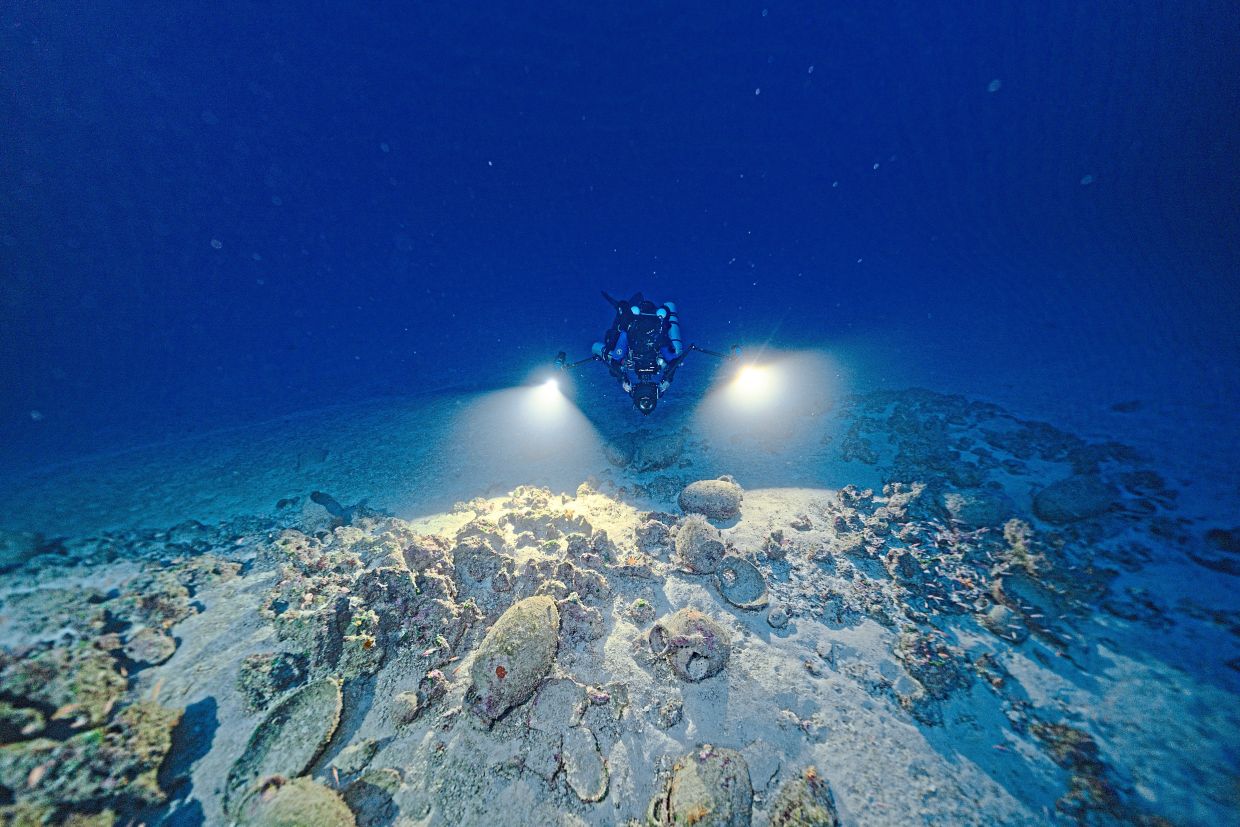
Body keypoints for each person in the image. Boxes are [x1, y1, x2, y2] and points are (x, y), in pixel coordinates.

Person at [591, 291, 684, 414]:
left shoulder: (632, 330)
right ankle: (620, 309)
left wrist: (622, 379)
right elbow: (672, 361)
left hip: (635, 341)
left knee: (609, 346)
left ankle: (620, 309)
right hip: (652, 344)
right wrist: (667, 381)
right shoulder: (657, 332)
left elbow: (615, 361)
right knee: (676, 354)